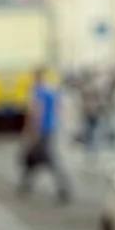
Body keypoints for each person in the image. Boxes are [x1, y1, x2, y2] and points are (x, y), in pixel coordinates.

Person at [18, 68, 71, 204]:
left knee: (48, 158)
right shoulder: (50, 91)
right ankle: (26, 185)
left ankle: (63, 187)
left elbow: (36, 111)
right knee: (34, 158)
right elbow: (59, 108)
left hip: (41, 129)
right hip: (50, 127)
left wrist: (31, 130)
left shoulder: (37, 91)